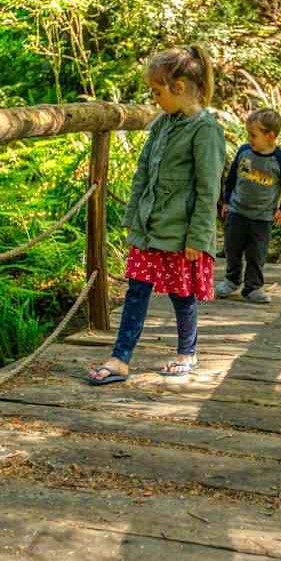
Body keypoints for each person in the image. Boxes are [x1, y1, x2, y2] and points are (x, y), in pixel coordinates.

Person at [86, 45, 227, 385]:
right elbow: (142, 174)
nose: (155, 100)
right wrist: (134, 219)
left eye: (157, 92)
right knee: (136, 289)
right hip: (149, 228)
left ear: (179, 88)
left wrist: (198, 237)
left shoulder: (205, 131)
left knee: (182, 293)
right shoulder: (162, 124)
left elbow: (209, 189)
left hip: (181, 233)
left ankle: (187, 352)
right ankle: (120, 359)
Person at [214, 107, 281, 304]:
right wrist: (226, 201)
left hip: (262, 218)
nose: (249, 139)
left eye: (253, 135)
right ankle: (232, 281)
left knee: (256, 254)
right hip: (236, 212)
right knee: (232, 248)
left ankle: (252, 287)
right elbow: (232, 177)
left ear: (270, 136)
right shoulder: (244, 152)